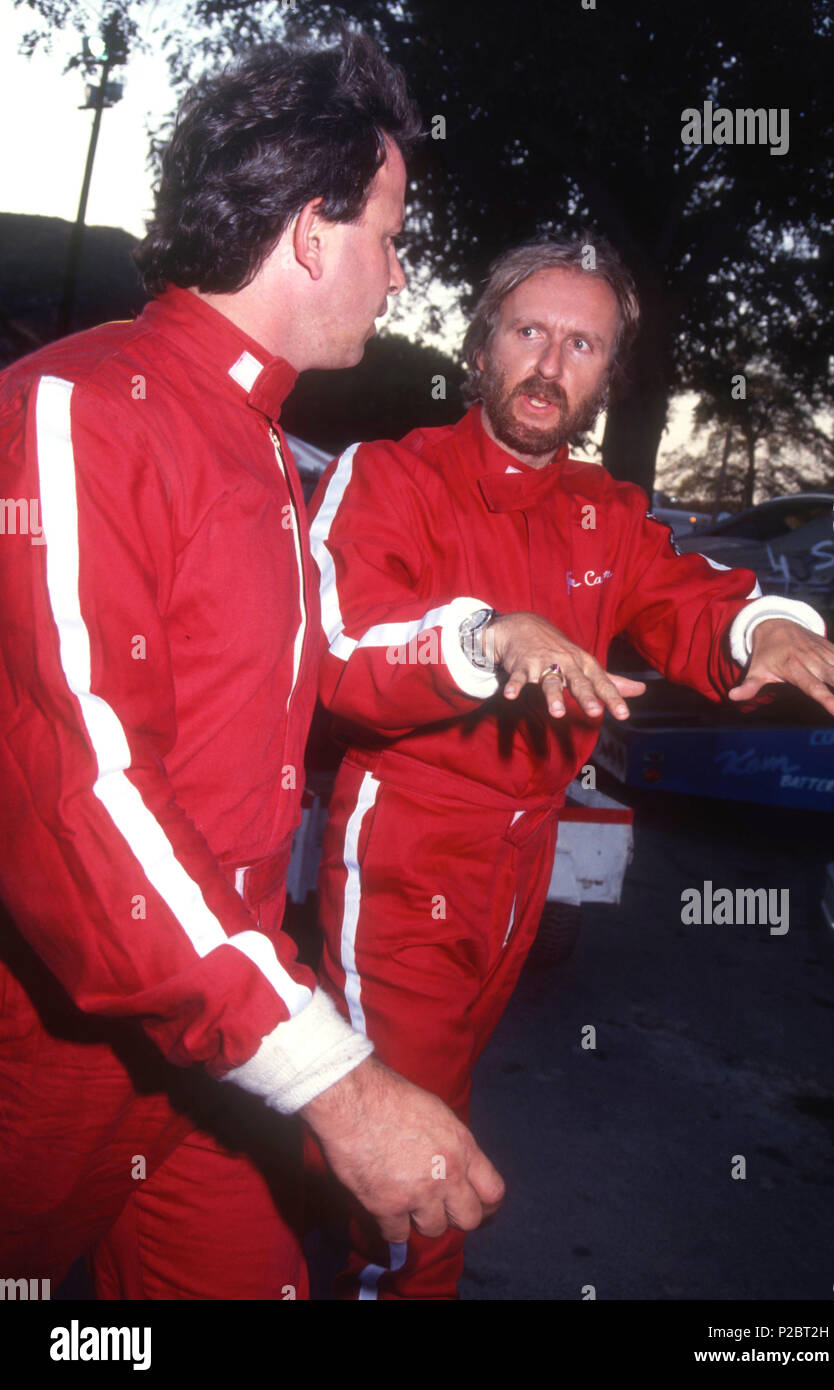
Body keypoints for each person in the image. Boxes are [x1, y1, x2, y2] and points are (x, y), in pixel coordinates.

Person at [0, 33, 503, 1303]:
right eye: (390, 233)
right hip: (55, 1059)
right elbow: (85, 792)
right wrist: (330, 1075)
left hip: (214, 1052)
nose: (399, 273)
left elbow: (321, 655)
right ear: (313, 230)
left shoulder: (267, 449)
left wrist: (480, 642)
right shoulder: (75, 411)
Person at [308, 234, 834, 1299]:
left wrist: (764, 631)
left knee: (425, 1106)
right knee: (410, 1157)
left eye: (583, 344)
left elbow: (687, 595)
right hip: (406, 857)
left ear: (608, 378)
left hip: (523, 870)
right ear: (479, 348)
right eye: (528, 330)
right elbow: (344, 649)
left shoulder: (608, 511)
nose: (549, 362)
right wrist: (487, 636)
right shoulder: (388, 475)